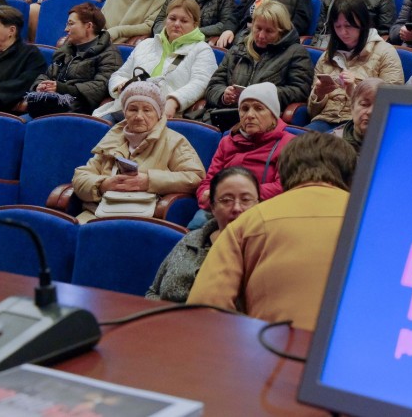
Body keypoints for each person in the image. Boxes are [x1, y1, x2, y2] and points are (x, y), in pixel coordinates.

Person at [187, 131, 357, 331]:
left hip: (273, 347)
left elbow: (205, 309)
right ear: (350, 175)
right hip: (362, 347)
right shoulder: (375, 220)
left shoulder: (249, 221)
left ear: (283, 173)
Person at [72, 80, 206, 224]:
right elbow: (81, 177)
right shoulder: (112, 139)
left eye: (147, 110)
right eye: (133, 109)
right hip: (100, 211)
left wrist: (149, 181)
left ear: (158, 114)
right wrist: (103, 184)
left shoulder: (174, 141)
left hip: (146, 215)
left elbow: (195, 177)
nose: (139, 116)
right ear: (124, 112)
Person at [147, 166, 261, 303]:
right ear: (213, 207)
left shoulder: (263, 251)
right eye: (226, 200)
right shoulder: (192, 239)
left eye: (246, 200)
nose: (237, 208)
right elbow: (153, 292)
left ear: (258, 205)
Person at [93, 0, 217, 121]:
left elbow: (201, 83)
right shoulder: (146, 44)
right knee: (101, 123)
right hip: (127, 107)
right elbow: (119, 74)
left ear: (195, 24)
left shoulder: (202, 50)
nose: (176, 24)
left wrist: (174, 100)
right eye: (172, 18)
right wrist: (120, 85)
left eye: (184, 21)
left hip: (163, 114)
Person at [204, 0, 313, 125]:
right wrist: (224, 95)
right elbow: (213, 85)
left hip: (265, 120)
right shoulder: (239, 48)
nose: (261, 35)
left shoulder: (296, 53)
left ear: (281, 31)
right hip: (226, 115)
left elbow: (300, 91)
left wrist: (263, 95)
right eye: (258, 28)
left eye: (269, 31)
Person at [195, 82, 296, 216]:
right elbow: (208, 182)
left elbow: (282, 187)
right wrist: (206, 195)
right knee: (199, 221)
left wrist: (238, 196)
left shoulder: (289, 143)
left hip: (263, 211)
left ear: (273, 115)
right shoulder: (227, 141)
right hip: (223, 207)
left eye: (258, 108)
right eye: (244, 109)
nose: (249, 115)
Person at [308, 0, 403, 131]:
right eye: (338, 26)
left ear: (362, 23)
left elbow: (391, 104)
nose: (343, 32)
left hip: (361, 124)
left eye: (348, 25)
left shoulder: (385, 52)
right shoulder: (327, 56)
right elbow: (312, 112)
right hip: (325, 119)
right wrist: (319, 94)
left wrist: (356, 91)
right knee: (300, 141)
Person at [30, 3, 123, 115]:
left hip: (79, 110)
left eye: (71, 24)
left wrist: (62, 88)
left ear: (88, 26)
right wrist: (40, 85)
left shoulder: (109, 54)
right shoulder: (66, 49)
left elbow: (101, 87)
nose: (66, 29)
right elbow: (48, 74)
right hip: (51, 103)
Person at [331, 76, 379, 153]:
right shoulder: (333, 144)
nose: (370, 111)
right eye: (364, 104)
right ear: (352, 107)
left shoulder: (396, 145)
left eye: (378, 106)